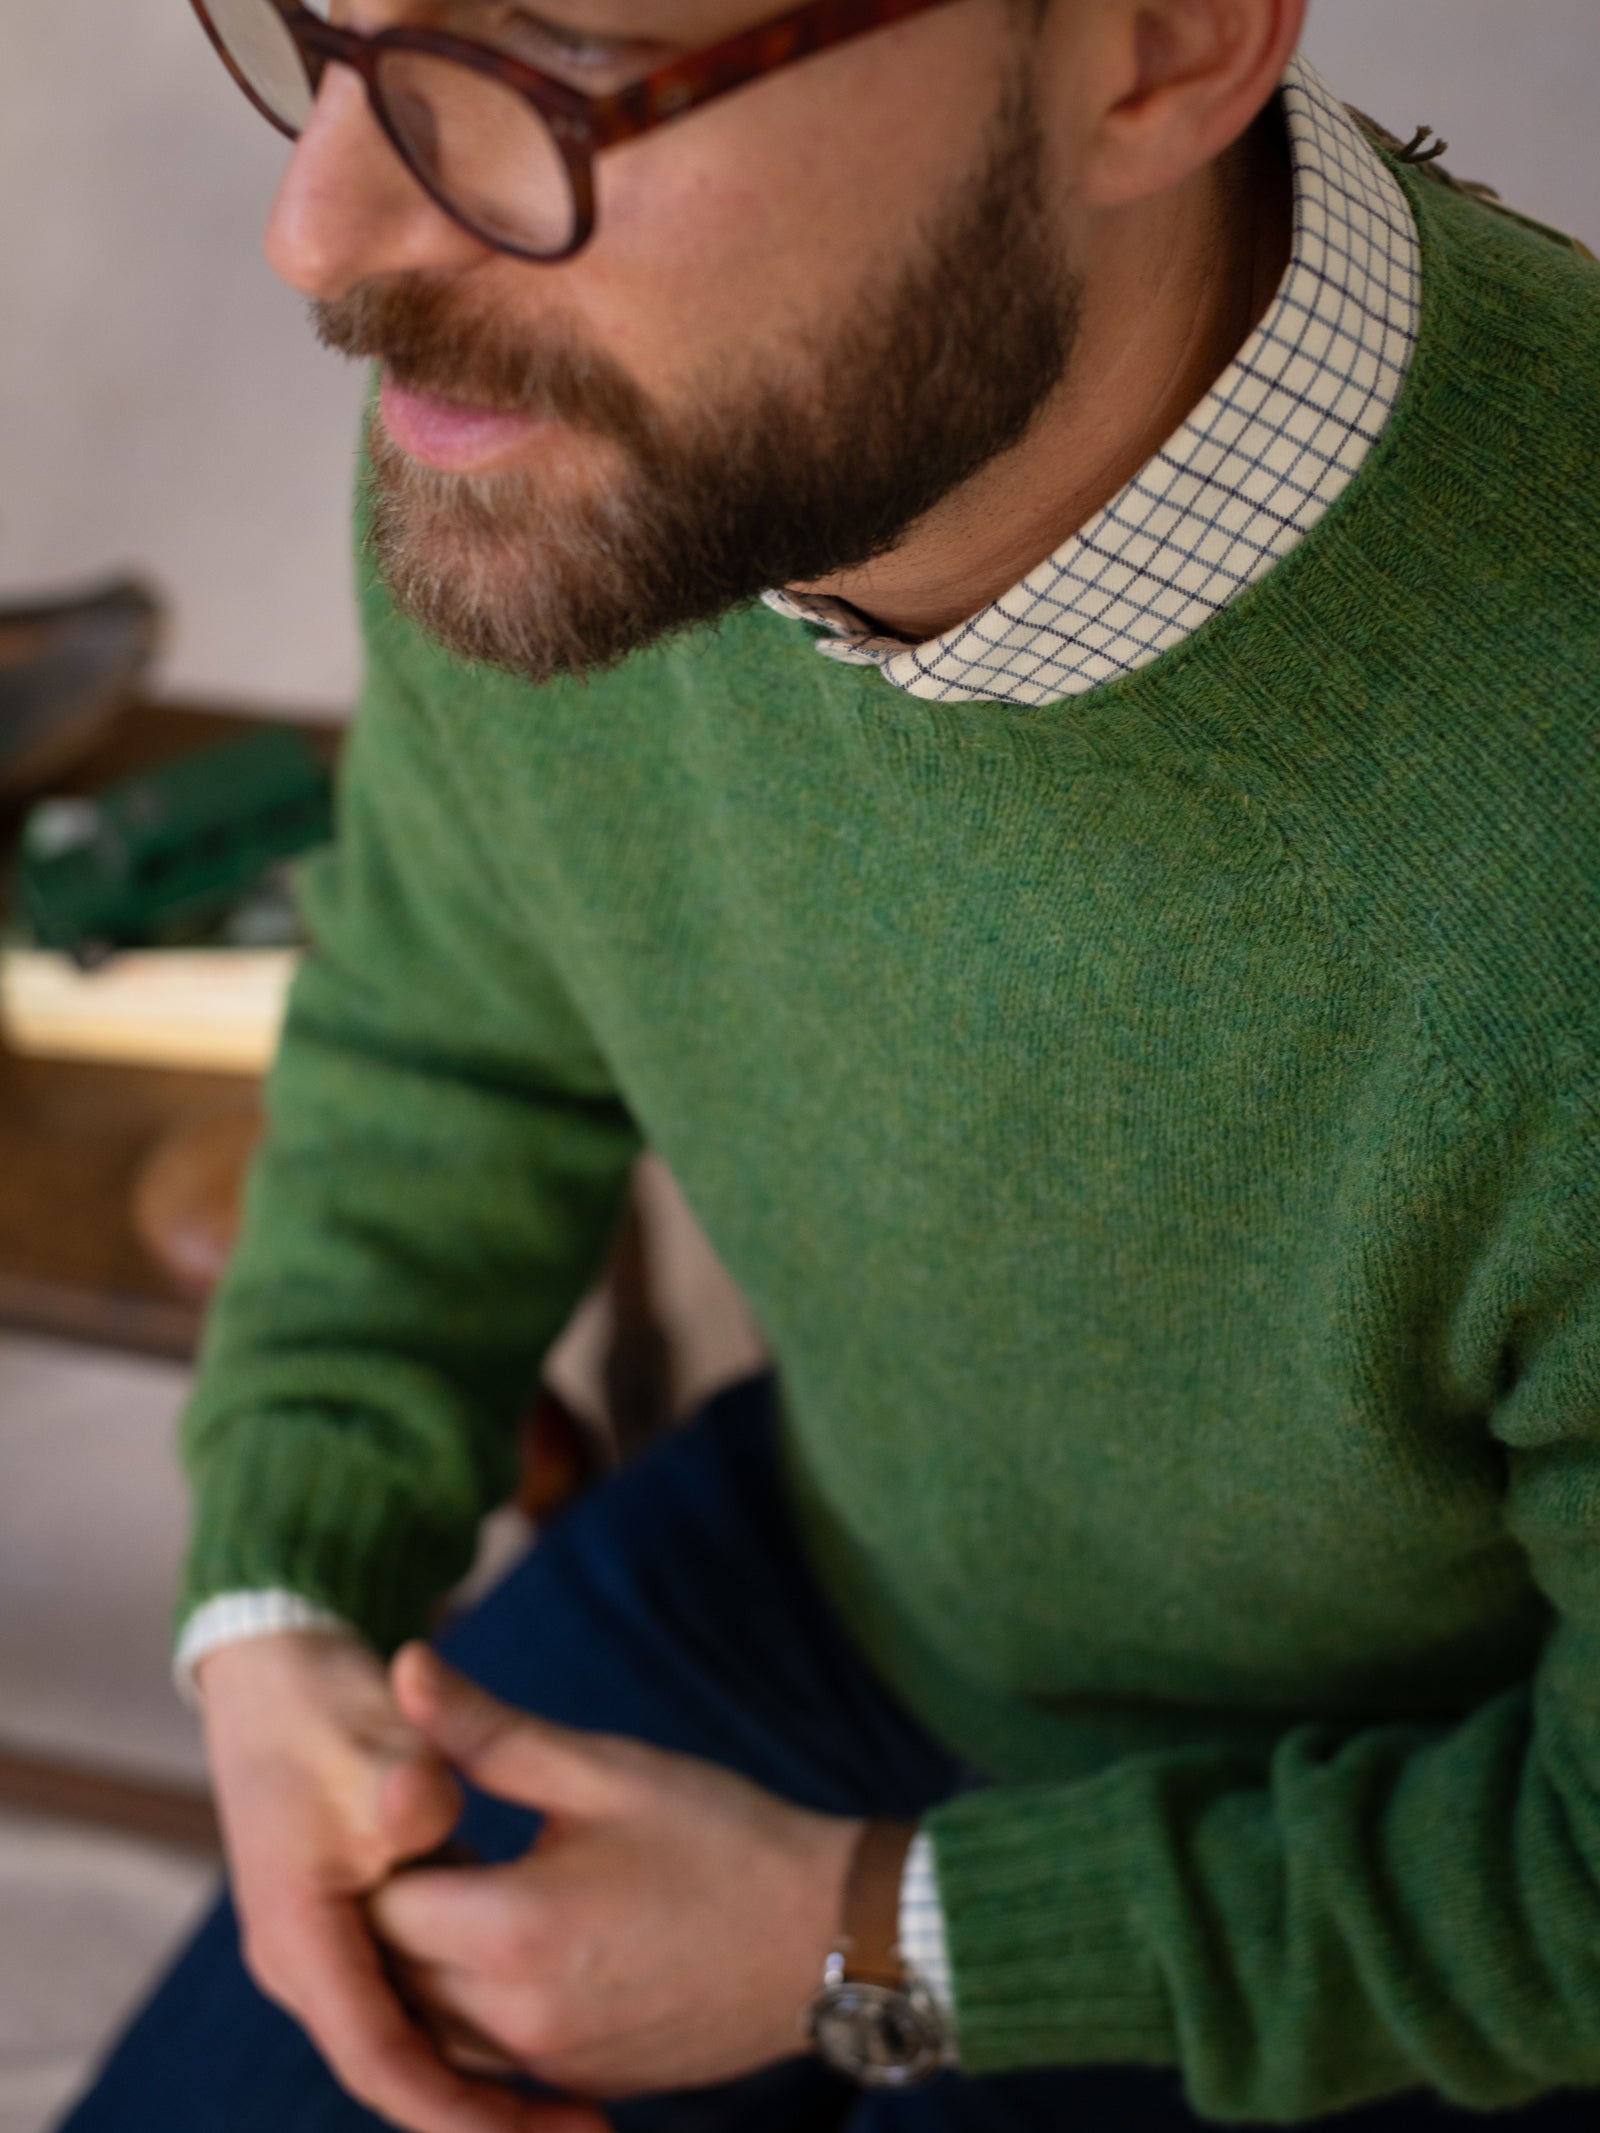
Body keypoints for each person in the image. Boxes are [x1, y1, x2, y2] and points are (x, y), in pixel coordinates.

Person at [62, 0, 1600, 2124]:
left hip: (1407, 1855)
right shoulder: (552, 418)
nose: (324, 229)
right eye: (330, 21)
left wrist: (871, 1939)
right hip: (815, 1590)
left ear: (1155, 46)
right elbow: (441, 1024)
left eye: (559, 54)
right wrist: (278, 1585)